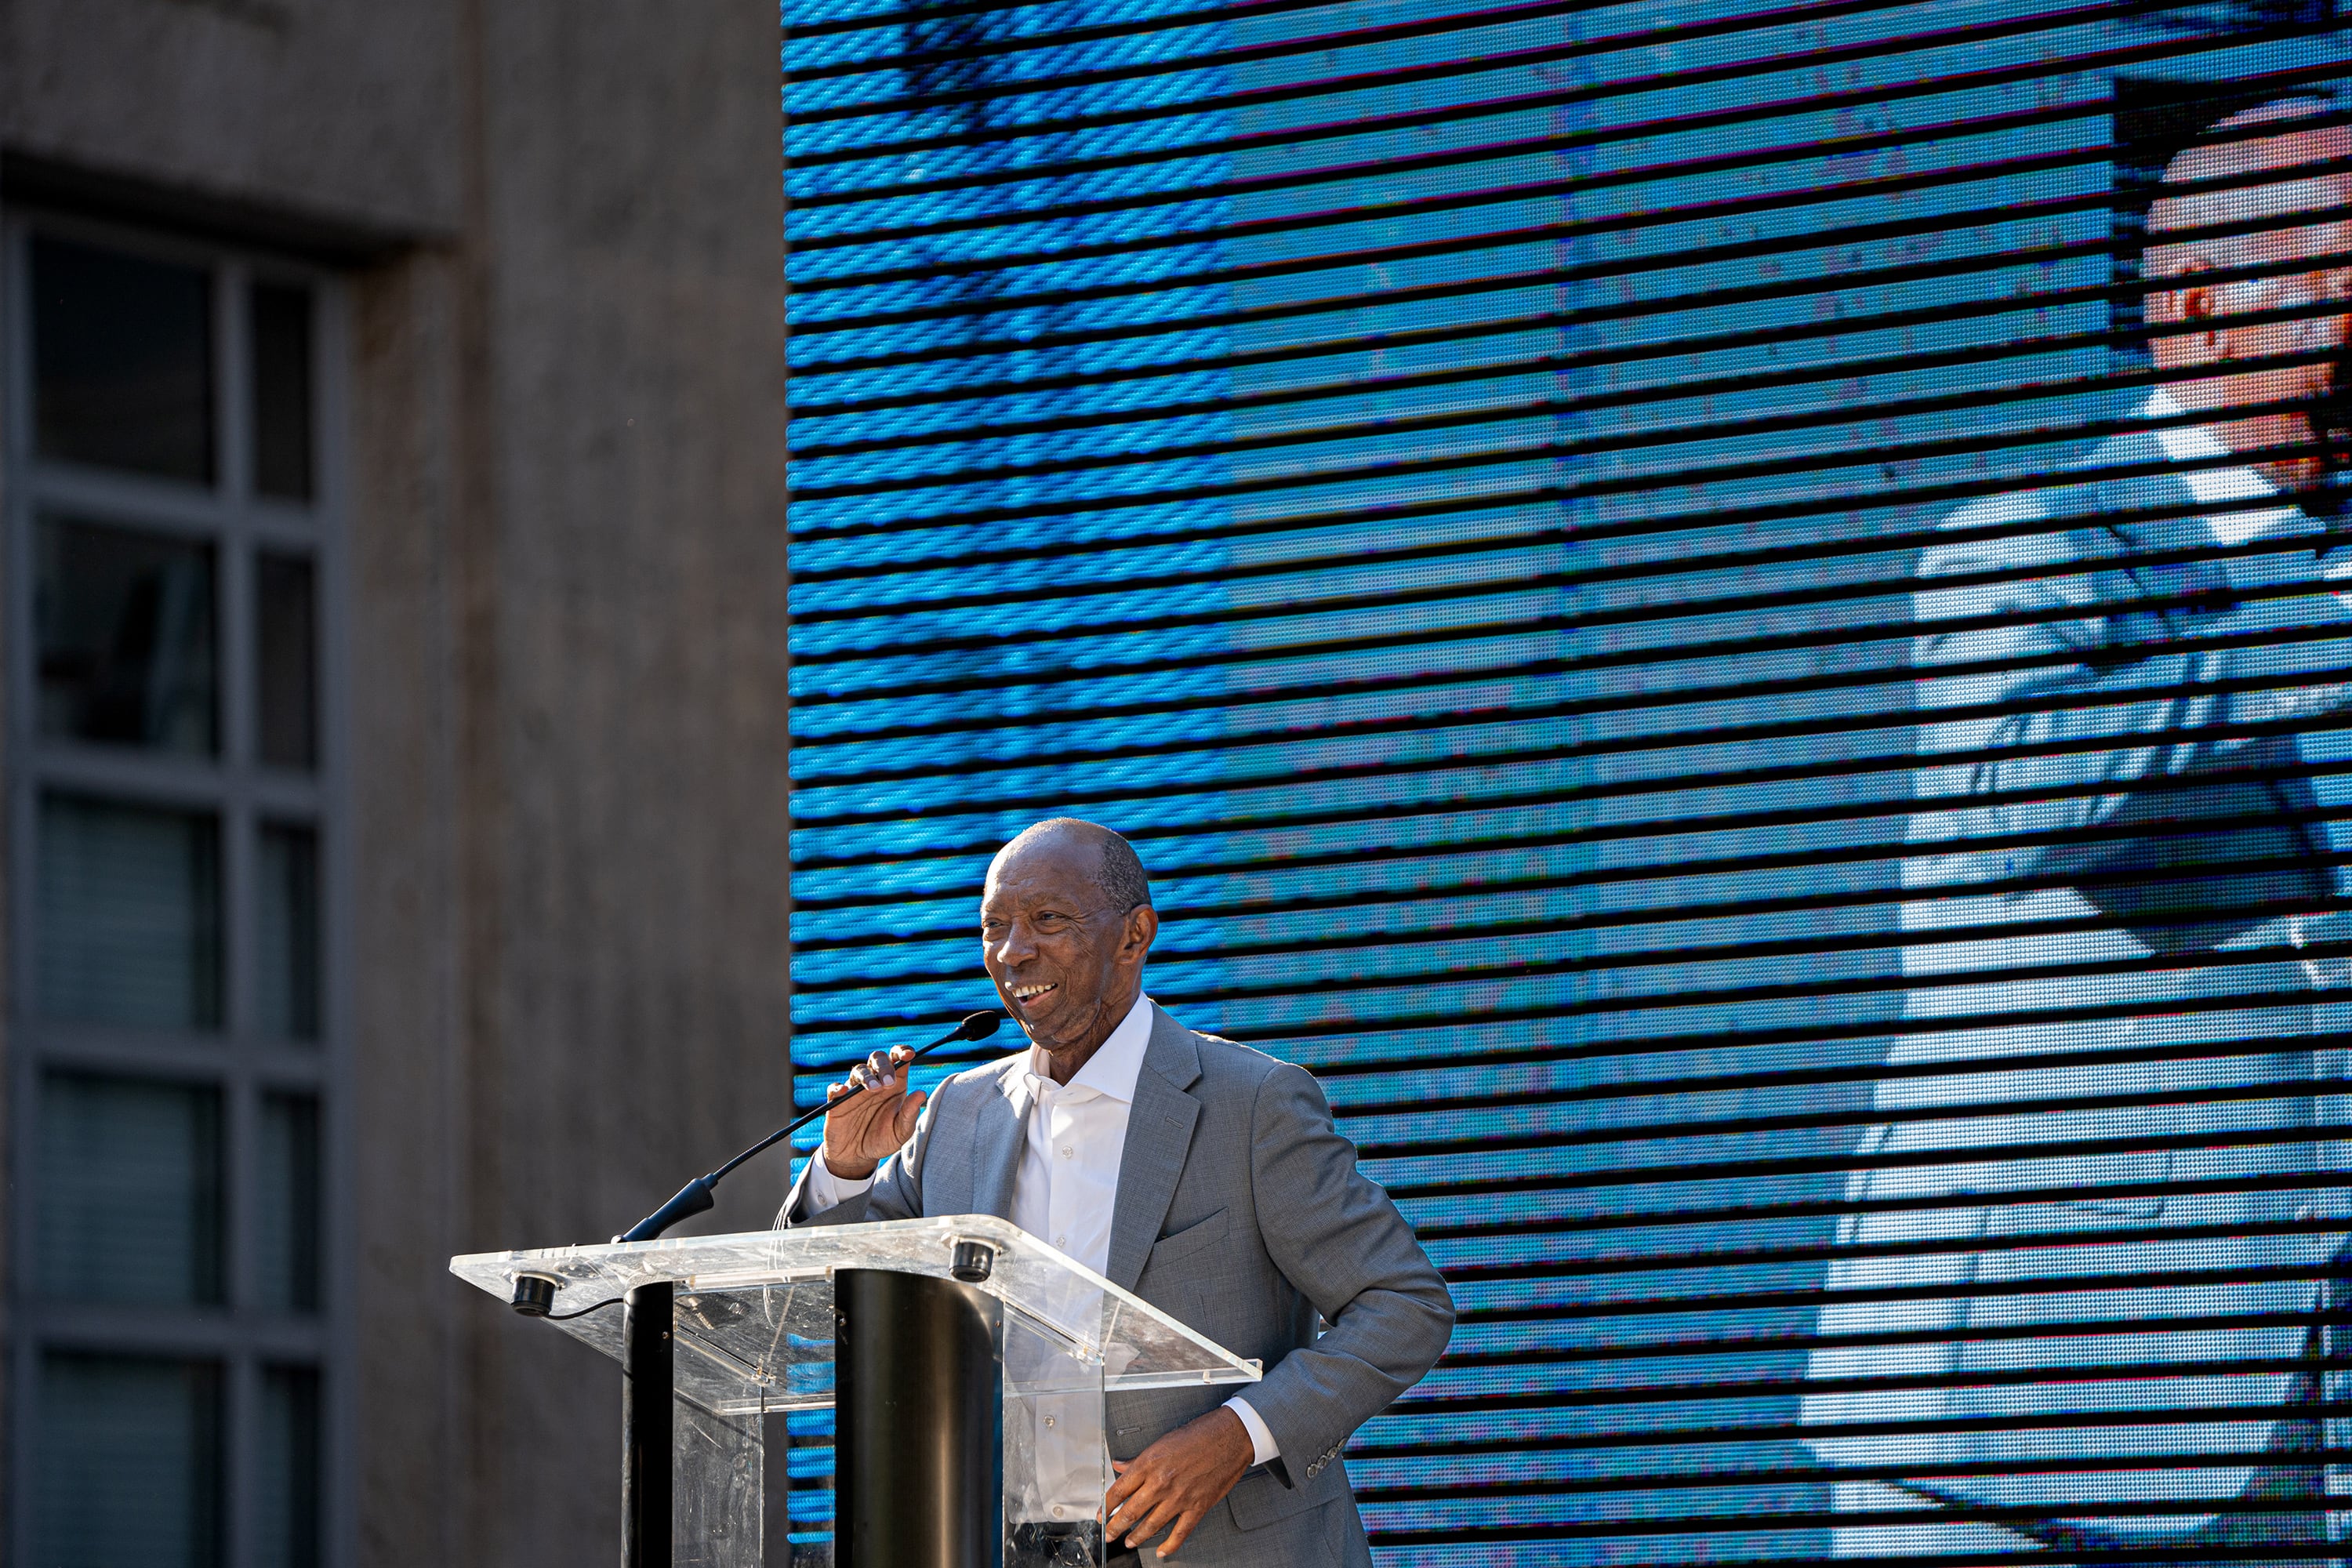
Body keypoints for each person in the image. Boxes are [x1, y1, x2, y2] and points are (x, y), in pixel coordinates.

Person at [1800, 97, 2352, 1561]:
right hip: (2018, 1403)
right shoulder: (2032, 544)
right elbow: (2012, 798)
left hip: (2285, 1408)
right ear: (2204, 308)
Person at [779, 818, 1454, 1566]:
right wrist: (840, 1168)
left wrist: (1235, 1435)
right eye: (993, 926)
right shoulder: (956, 1116)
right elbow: (806, 1319)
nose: (1012, 952)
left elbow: (1402, 1306)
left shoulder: (1251, 1102)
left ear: (1136, 935)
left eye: (1048, 920)